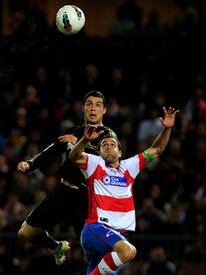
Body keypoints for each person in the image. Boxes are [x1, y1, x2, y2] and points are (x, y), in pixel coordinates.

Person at [69, 106, 178, 275]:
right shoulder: (94, 163)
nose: (109, 146)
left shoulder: (130, 166)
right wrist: (83, 141)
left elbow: (157, 150)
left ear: (120, 152)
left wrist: (167, 128)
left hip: (114, 236)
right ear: (100, 151)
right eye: (104, 145)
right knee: (129, 252)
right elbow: (73, 157)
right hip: (97, 228)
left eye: (113, 144)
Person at [16, 90, 115, 265]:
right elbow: (51, 151)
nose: (93, 108)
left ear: (104, 110)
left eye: (98, 105)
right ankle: (56, 247)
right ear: (83, 108)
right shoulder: (73, 131)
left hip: (87, 200)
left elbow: (107, 162)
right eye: (89, 104)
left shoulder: (108, 137)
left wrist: (79, 143)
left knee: (93, 254)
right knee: (25, 232)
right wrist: (30, 164)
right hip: (63, 192)